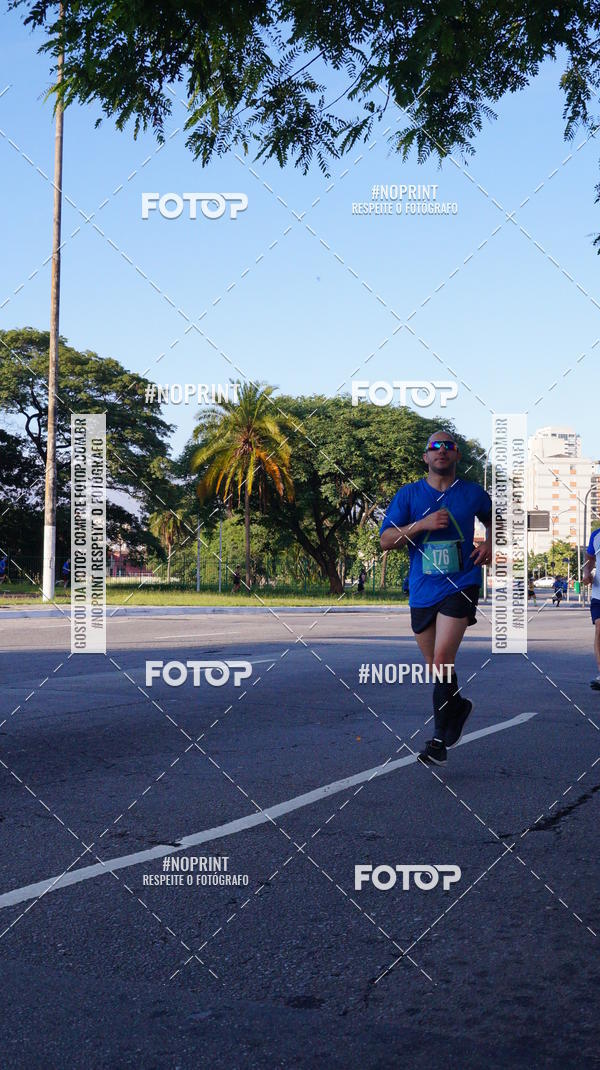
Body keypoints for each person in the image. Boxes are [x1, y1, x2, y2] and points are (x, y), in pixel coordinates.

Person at [380, 430, 492, 765]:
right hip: (422, 589)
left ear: (457, 455)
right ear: (426, 457)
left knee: (443, 658)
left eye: (448, 446)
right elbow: (386, 540)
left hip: (461, 583)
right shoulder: (409, 494)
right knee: (437, 667)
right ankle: (458, 706)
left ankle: (439, 739)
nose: (441, 450)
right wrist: (422, 524)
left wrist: (490, 543)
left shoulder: (472, 493)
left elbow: (500, 521)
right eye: (435, 447)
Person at [582, 526, 600, 690]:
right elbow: (589, 559)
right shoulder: (596, 535)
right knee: (599, 629)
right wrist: (586, 572)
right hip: (598, 593)